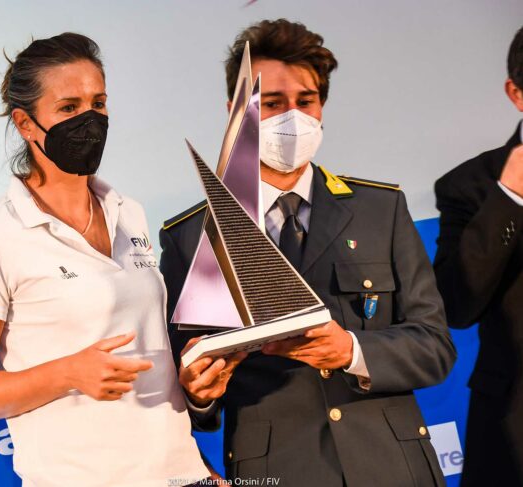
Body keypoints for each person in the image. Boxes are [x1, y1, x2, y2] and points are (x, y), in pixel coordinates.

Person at [160, 19, 456, 487]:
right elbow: (190, 391)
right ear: (235, 112)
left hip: (393, 466)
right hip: (276, 471)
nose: (292, 117)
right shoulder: (192, 235)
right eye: (272, 103)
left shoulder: (380, 208)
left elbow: (435, 347)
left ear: (322, 106)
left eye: (306, 100)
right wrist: (200, 395)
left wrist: (352, 350)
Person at [0, 33, 209, 487]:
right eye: (68, 107)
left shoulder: (130, 212)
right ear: (25, 124)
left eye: (98, 103)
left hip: (182, 476)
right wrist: (68, 373)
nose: (90, 120)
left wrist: (199, 463)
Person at [433, 26, 523, 487]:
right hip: (515, 426)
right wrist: (509, 198)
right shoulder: (469, 186)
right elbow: (456, 305)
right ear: (516, 93)